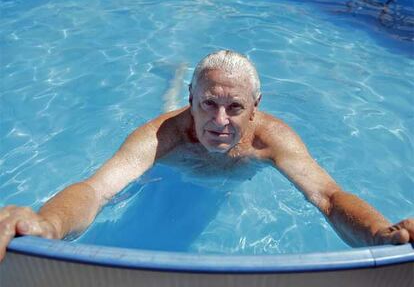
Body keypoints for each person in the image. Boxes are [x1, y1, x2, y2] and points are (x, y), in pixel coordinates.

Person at [0, 50, 412, 262]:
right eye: (207, 105)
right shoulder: (164, 136)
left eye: (234, 108)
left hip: (222, 177)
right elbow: (96, 190)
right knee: (144, 170)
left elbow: (327, 197)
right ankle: (174, 79)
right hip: (167, 169)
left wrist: (378, 232)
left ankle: (176, 77)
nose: (219, 121)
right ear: (192, 101)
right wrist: (47, 223)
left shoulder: (272, 139)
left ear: (255, 106)